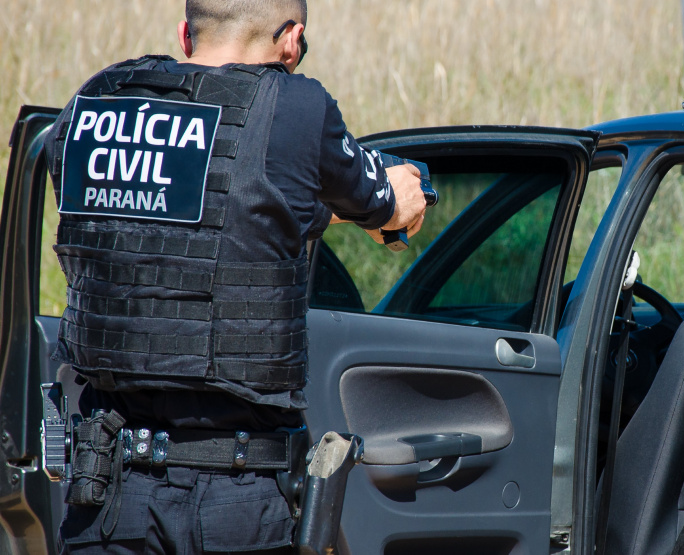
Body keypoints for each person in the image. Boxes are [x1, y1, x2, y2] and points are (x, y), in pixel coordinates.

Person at [42, 1, 427, 552]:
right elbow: (384, 203)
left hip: (105, 494)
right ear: (292, 41)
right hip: (236, 496)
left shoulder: (96, 98)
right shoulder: (296, 108)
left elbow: (198, 207)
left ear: (186, 35)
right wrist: (402, 197)